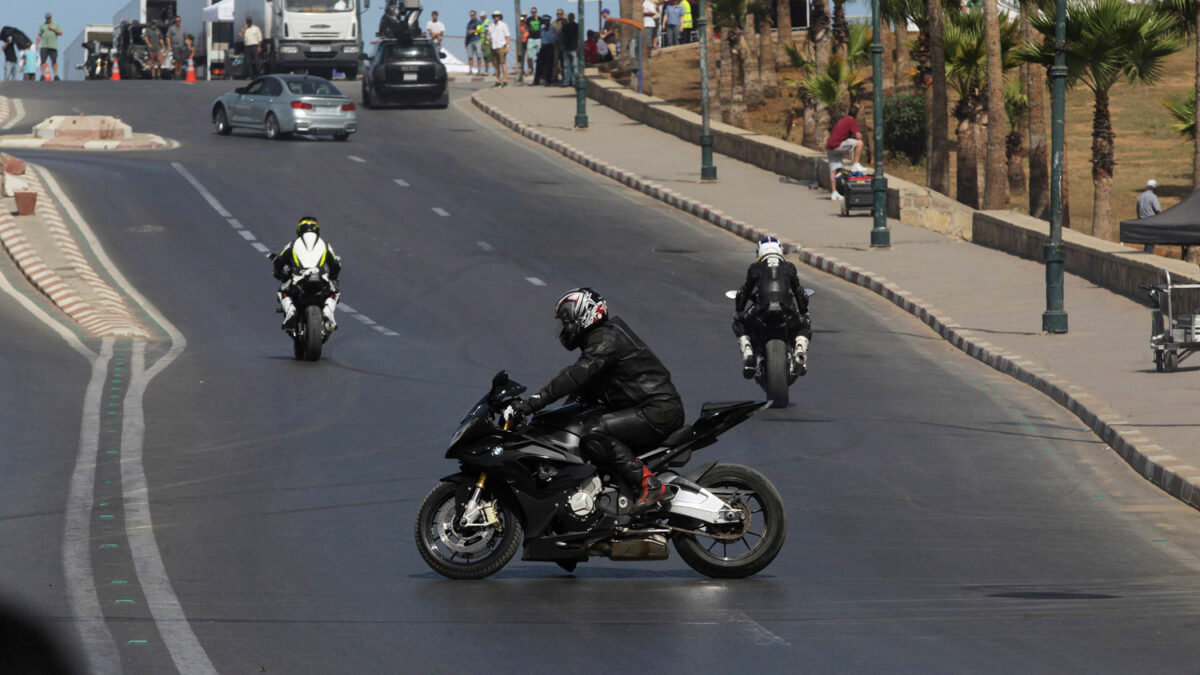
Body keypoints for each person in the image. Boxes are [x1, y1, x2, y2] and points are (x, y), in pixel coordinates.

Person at [512, 288, 682, 513]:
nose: (565, 327)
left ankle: (650, 485)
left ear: (585, 314)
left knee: (594, 432)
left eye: (567, 319)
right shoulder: (598, 342)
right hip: (644, 409)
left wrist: (534, 401)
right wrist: (542, 423)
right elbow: (579, 395)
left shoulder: (606, 338)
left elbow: (576, 375)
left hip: (657, 409)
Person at [733, 236, 812, 378]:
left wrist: (739, 311)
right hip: (786, 308)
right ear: (779, 250)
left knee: (740, 323)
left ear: (759, 252)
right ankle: (800, 350)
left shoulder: (755, 268)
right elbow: (800, 293)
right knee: (804, 324)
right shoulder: (789, 267)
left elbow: (744, 292)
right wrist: (804, 311)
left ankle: (748, 352)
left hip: (761, 309)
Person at [272, 217, 342, 331]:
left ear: (299, 230)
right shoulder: (325, 244)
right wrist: (333, 277)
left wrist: (277, 273)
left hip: (299, 279)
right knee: (334, 292)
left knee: (282, 291)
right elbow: (335, 265)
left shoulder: (293, 244)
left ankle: (291, 313)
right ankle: (328, 315)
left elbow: (279, 261)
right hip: (321, 279)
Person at [825, 104, 865, 201]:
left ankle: (834, 192)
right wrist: (859, 134)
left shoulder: (842, 120)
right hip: (838, 145)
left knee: (833, 169)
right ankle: (856, 164)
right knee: (859, 143)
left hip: (830, 147)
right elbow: (858, 136)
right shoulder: (851, 120)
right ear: (856, 114)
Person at [487, 10, 511, 86]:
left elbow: (507, 36)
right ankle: (498, 80)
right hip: (494, 46)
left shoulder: (503, 25)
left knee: (503, 63)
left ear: (500, 17)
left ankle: (505, 79)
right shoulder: (491, 26)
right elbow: (488, 36)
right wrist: (490, 40)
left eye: (497, 16)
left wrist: (507, 46)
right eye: (494, 16)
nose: (495, 17)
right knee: (496, 64)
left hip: (501, 46)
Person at [37, 13, 61, 80]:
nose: (48, 19)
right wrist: (37, 44)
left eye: (49, 18)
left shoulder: (56, 24)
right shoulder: (42, 26)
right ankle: (42, 74)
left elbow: (60, 33)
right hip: (44, 45)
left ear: (51, 17)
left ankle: (55, 75)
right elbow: (39, 35)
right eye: (47, 18)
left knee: (54, 60)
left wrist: (53, 29)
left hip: (53, 46)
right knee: (43, 61)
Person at [535, 14, 556, 85]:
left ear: (549, 21)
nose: (546, 22)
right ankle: (536, 80)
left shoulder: (553, 29)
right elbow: (539, 39)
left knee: (549, 64)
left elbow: (552, 38)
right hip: (543, 47)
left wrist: (547, 31)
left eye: (547, 21)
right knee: (539, 64)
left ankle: (548, 80)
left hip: (550, 46)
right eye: (544, 21)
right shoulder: (541, 30)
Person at [560, 13, 578, 87]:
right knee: (566, 66)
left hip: (574, 48)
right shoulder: (565, 26)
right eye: (570, 17)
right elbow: (563, 37)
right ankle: (566, 82)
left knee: (574, 66)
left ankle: (574, 81)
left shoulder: (577, 26)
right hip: (566, 48)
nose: (571, 18)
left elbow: (579, 37)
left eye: (572, 17)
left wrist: (578, 48)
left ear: (574, 18)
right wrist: (563, 46)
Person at [524, 8, 541, 77]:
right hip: (531, 38)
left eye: (534, 12)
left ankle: (539, 68)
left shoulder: (539, 19)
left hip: (538, 38)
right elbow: (526, 27)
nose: (533, 13)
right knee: (529, 55)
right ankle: (530, 68)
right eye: (532, 12)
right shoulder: (529, 19)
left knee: (539, 54)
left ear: (536, 12)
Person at [465, 10, 483, 75]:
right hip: (470, 41)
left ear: (475, 15)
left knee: (478, 55)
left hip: (477, 40)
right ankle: (470, 70)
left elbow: (481, 31)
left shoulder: (478, 22)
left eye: (472, 15)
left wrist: (473, 30)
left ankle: (479, 70)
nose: (471, 16)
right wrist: (466, 43)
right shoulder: (469, 23)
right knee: (470, 56)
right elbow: (467, 33)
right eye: (470, 15)